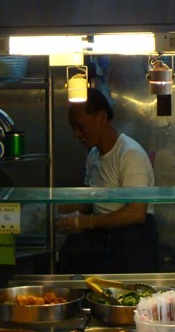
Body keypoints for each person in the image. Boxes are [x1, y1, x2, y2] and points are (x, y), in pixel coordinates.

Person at [55, 87, 160, 274]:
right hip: (104, 242)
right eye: (73, 127)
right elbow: (90, 201)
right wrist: (57, 209)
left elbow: (136, 213)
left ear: (101, 117)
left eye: (80, 126)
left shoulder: (129, 154)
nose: (76, 134)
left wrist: (85, 222)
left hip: (134, 244)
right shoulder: (94, 155)